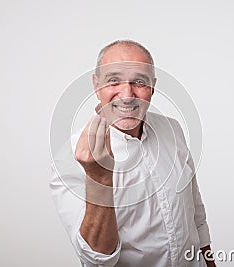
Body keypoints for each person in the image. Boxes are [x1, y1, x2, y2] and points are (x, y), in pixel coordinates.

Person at [50, 40, 216, 267]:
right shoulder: (71, 159)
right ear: (96, 85)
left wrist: (209, 261)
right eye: (113, 81)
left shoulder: (173, 130)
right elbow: (96, 259)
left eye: (139, 81)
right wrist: (100, 178)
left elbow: (195, 213)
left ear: (153, 87)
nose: (127, 94)